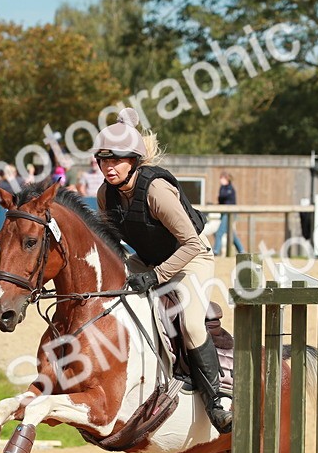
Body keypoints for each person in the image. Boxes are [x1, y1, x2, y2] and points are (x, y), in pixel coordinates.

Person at [94, 107, 232, 434]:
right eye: (103, 160)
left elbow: (192, 245)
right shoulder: (105, 195)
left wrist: (155, 277)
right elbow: (110, 245)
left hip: (190, 258)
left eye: (117, 159)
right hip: (147, 259)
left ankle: (216, 400)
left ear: (135, 161)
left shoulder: (156, 190)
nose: (109, 167)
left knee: (192, 324)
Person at [214, 172, 244, 255]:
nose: (220, 180)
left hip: (229, 213)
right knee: (231, 233)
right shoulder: (223, 188)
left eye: (222, 178)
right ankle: (241, 250)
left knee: (219, 232)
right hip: (224, 213)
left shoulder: (230, 188)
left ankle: (215, 250)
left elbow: (224, 196)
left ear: (226, 179)